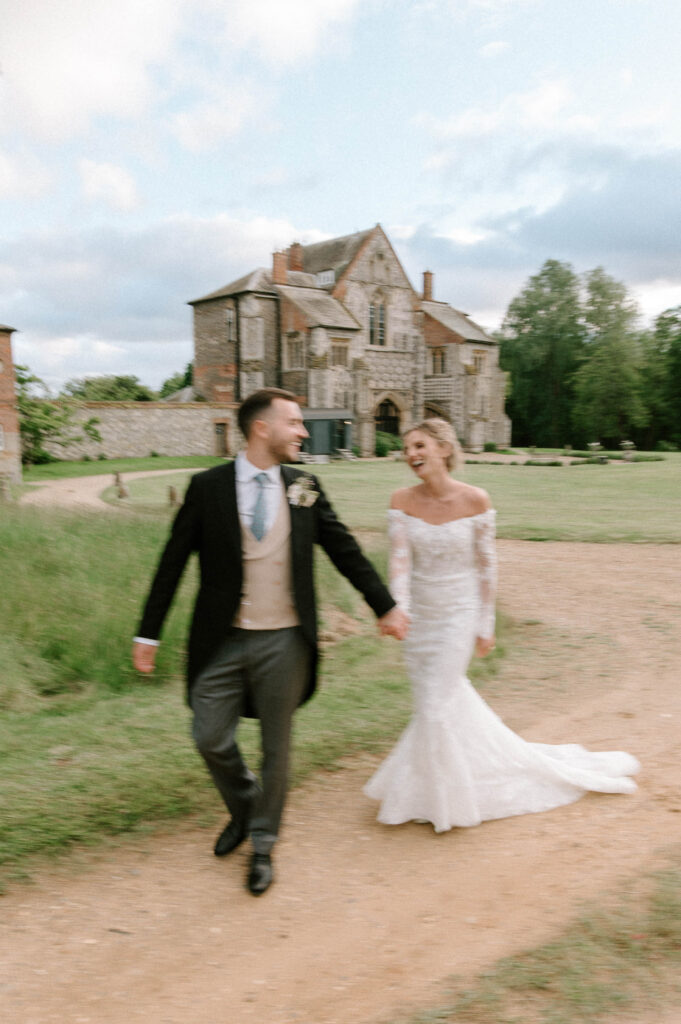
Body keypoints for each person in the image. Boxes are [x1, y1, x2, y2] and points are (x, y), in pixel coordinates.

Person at [133, 388, 408, 895]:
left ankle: (262, 843)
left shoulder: (304, 484)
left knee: (277, 748)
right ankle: (245, 805)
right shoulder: (207, 488)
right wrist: (148, 632)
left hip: (286, 641)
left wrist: (384, 605)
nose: (304, 432)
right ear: (263, 428)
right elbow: (171, 564)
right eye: (296, 422)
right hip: (223, 641)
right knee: (209, 736)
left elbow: (344, 549)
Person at [364, 418, 639, 832]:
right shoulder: (401, 500)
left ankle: (444, 802)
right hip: (419, 619)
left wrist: (484, 624)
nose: (411, 455)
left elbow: (486, 568)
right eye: (406, 449)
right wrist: (398, 609)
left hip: (458, 615)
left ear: (442, 448)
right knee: (435, 705)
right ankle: (435, 787)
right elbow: (399, 563)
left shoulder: (476, 500)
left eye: (419, 445)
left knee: (437, 707)